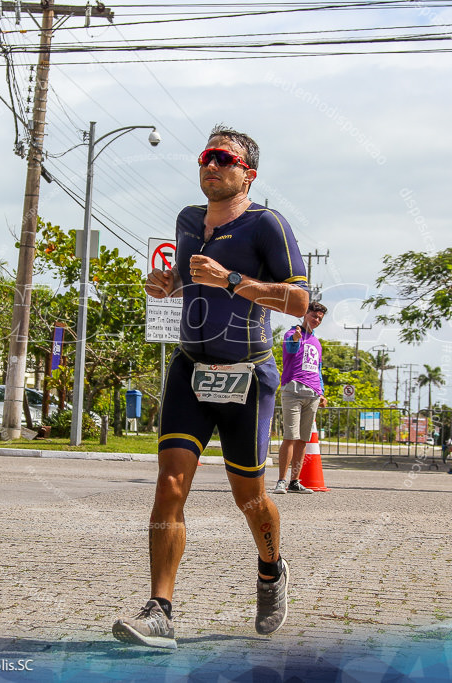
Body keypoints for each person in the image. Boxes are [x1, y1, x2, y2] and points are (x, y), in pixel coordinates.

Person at [113, 125, 309, 649]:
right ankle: (160, 611)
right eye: (206, 156)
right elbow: (182, 279)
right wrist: (168, 284)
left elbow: (299, 303)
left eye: (224, 158)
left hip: (248, 373)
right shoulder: (186, 221)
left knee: (249, 497)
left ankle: (271, 570)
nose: (212, 165)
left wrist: (230, 280)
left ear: (248, 173)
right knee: (169, 486)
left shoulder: (268, 225)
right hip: (190, 370)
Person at [274, 301, 328, 495]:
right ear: (305, 314)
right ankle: (281, 480)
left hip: (312, 394)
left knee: (302, 440)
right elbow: (290, 351)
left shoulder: (316, 342)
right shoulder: (291, 334)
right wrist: (296, 339)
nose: (317, 320)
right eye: (314, 316)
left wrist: (321, 391)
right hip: (293, 390)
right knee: (290, 436)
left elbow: (318, 369)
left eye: (320, 318)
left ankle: (294, 481)